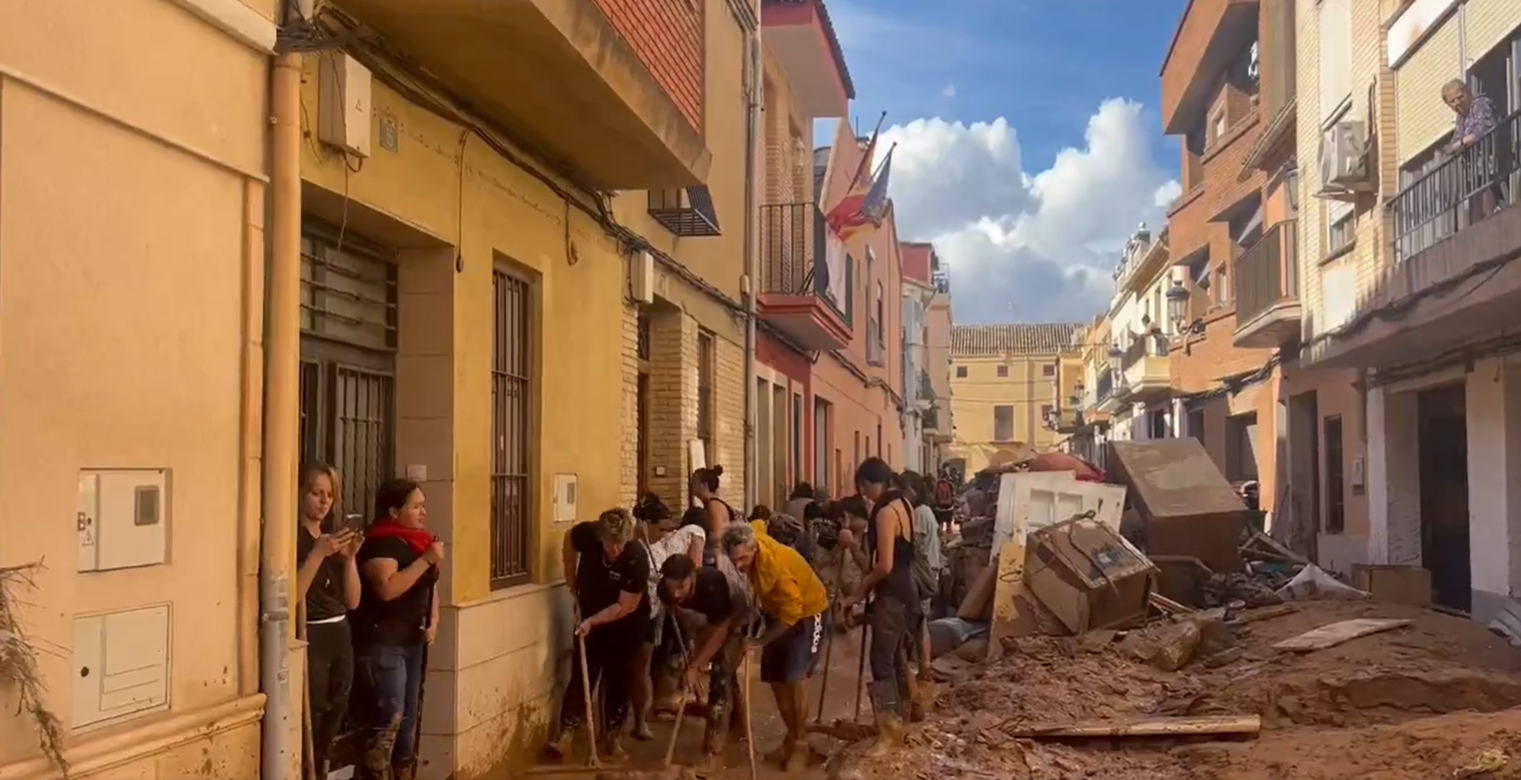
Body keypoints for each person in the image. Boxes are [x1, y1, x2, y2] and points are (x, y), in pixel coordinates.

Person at [352, 479, 443, 780]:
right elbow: (387, 588)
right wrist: (426, 559)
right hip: (385, 643)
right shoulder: (380, 543)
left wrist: (434, 619)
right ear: (393, 511)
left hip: (412, 641)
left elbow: (430, 586)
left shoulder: (417, 542)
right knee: (387, 724)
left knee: (407, 723)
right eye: (415, 506)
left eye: (423, 506)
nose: (423, 512)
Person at [721, 520, 829, 770]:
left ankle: (801, 744)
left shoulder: (776, 570)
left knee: (795, 680)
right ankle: (792, 737)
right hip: (775, 612)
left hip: (806, 614)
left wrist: (759, 641)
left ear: (755, 550)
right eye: (734, 560)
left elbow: (793, 613)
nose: (738, 567)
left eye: (743, 560)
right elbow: (759, 521)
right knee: (777, 680)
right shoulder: (754, 536)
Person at [547, 508, 650, 760]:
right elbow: (569, 539)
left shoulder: (636, 557)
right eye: (609, 543)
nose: (614, 549)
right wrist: (572, 583)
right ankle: (567, 734)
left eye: (619, 544)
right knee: (582, 674)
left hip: (626, 623)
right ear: (600, 537)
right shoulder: (588, 534)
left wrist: (592, 621)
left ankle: (611, 738)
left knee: (618, 679)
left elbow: (626, 605)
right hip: (590, 612)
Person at [842, 457, 921, 755]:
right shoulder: (905, 503)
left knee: (881, 661)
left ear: (869, 483)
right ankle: (909, 713)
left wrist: (858, 593)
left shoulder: (886, 512)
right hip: (906, 589)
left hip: (893, 593)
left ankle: (889, 734)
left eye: (864, 488)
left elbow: (884, 565)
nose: (864, 495)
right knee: (897, 656)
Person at [296, 463, 361, 776]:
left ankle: (323, 770)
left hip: (340, 633)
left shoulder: (331, 541)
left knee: (337, 709)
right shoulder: (293, 539)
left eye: (329, 496)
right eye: (316, 493)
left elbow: (353, 600)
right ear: (300, 493)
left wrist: (349, 560)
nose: (323, 502)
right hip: (313, 634)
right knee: (313, 711)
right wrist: (317, 555)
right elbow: (291, 594)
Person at [658, 553, 747, 773]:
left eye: (682, 587)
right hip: (711, 620)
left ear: (692, 577)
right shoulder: (666, 591)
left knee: (721, 673)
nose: (676, 593)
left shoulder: (713, 585)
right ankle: (738, 727)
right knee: (725, 674)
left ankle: (713, 750)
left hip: (740, 617)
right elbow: (688, 622)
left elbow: (721, 631)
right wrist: (693, 657)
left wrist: (698, 665)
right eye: (671, 587)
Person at [631, 492, 703, 738]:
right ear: (646, 526)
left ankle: (643, 718)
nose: (665, 535)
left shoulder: (660, 547)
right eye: (660, 529)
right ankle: (632, 721)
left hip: (653, 614)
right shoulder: (636, 549)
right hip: (631, 614)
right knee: (633, 667)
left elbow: (694, 535)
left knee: (646, 665)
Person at [898, 471, 943, 707]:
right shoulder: (926, 512)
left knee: (919, 622)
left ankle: (924, 667)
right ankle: (923, 666)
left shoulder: (918, 514)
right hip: (930, 571)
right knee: (920, 621)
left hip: (922, 576)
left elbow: (911, 545)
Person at [692, 466, 738, 564]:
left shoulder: (713, 505)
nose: (691, 485)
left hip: (718, 559)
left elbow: (718, 537)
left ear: (703, 485)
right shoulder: (710, 504)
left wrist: (720, 566)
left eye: (694, 482)